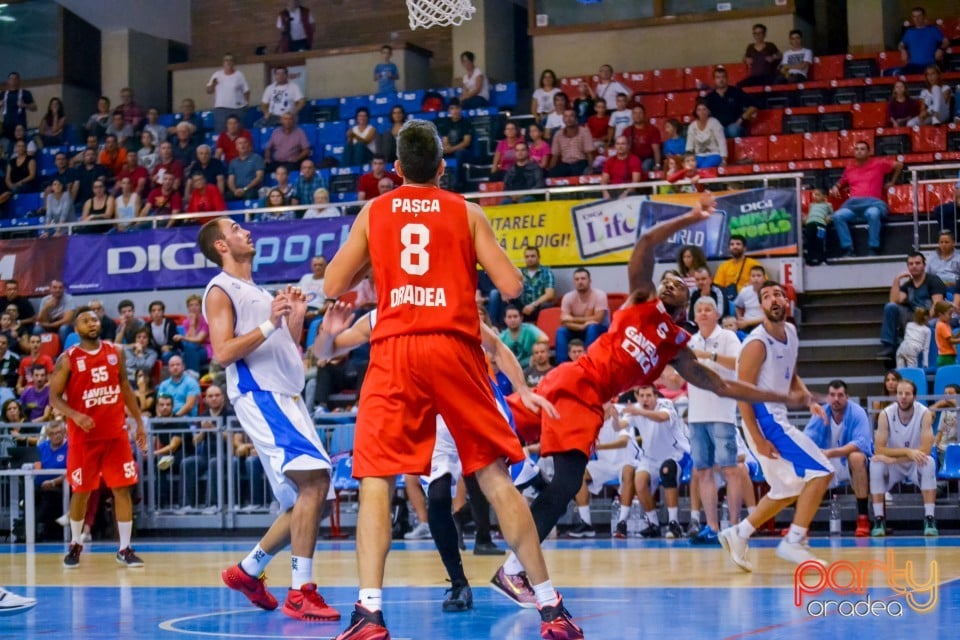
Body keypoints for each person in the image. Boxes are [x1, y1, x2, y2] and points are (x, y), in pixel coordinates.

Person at [322, 119, 582, 639]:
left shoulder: (375, 210)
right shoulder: (467, 212)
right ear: (442, 169)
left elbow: (332, 283)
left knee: (377, 477)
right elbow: (510, 285)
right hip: (455, 346)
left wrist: (379, 261)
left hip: (395, 349)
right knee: (492, 477)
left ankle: (369, 612)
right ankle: (551, 607)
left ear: (395, 171)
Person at [497, 194, 812, 599]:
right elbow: (645, 242)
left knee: (559, 482)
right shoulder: (642, 297)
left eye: (681, 283)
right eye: (671, 276)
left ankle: (514, 558)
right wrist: (692, 217)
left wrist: (777, 396)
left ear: (687, 306)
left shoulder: (676, 346)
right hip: (572, 382)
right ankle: (514, 534)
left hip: (586, 400)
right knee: (504, 436)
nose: (672, 279)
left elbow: (721, 385)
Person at [316, 301, 552, 610]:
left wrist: (522, 389)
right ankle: (458, 582)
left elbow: (497, 346)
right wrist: (326, 333)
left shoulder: (448, 307)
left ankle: (517, 570)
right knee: (439, 497)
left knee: (517, 487)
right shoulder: (382, 314)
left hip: (472, 406)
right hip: (434, 418)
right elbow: (324, 352)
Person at [199, 217, 339, 621]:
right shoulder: (220, 288)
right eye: (235, 228)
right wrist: (270, 320)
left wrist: (293, 317)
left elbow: (283, 348)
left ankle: (248, 571)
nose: (245, 230)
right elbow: (223, 353)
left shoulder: (259, 291)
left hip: (287, 396)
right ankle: (301, 592)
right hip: (262, 395)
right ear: (222, 246)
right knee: (314, 480)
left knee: (306, 498)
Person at [718, 280, 833, 572]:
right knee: (821, 472)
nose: (774, 299)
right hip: (765, 420)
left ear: (786, 302)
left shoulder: (791, 332)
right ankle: (793, 541)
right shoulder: (756, 343)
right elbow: (740, 392)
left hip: (776, 416)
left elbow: (791, 374)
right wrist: (757, 437)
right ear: (761, 306)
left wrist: (809, 401)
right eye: (766, 296)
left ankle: (739, 532)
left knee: (787, 488)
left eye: (778, 294)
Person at [48, 306, 147, 569]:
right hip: (84, 438)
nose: (92, 323)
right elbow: (54, 398)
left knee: (122, 489)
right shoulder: (68, 358)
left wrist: (138, 422)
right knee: (82, 492)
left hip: (115, 434)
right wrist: (76, 416)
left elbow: (125, 387)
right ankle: (75, 542)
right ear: (76, 329)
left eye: (94, 319)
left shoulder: (116, 352)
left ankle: (124, 548)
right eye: (85, 320)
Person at [686, 296, 743, 544]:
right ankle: (711, 526)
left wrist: (708, 355)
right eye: (699, 310)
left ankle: (735, 526)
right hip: (697, 413)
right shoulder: (690, 341)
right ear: (695, 316)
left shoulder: (728, 337)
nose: (704, 313)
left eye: (708, 309)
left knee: (730, 469)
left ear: (717, 314)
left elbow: (739, 365)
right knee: (703, 471)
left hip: (722, 413)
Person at [803, 379, 874, 537]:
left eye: (840, 395)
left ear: (847, 397)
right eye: (832, 395)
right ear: (828, 397)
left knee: (856, 457)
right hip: (826, 461)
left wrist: (831, 452)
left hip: (846, 461)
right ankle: (801, 524)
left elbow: (860, 443)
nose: (836, 399)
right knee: (803, 460)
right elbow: (807, 438)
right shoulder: (821, 412)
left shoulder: (857, 412)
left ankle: (863, 518)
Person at [870, 379, 938, 536]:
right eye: (900, 393)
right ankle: (879, 519)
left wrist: (896, 458)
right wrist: (907, 452)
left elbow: (926, 449)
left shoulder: (925, 413)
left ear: (914, 396)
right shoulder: (885, 414)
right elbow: (878, 448)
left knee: (929, 462)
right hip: (898, 463)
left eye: (907, 393)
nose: (903, 397)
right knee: (876, 465)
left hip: (915, 463)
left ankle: (929, 518)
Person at [622, 384, 690, 539]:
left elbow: (662, 418)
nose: (645, 399)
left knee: (667, 471)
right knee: (639, 482)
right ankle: (653, 524)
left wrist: (640, 411)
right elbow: (620, 425)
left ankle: (674, 523)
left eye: (648, 395)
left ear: (655, 396)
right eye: (642, 396)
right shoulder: (636, 409)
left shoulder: (665, 404)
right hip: (650, 457)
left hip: (676, 454)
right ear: (637, 396)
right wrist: (613, 417)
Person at [572, 403, 636, 538]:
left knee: (628, 471)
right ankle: (586, 524)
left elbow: (623, 441)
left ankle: (622, 523)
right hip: (605, 464)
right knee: (578, 473)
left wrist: (598, 447)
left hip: (626, 460)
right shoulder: (592, 418)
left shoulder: (623, 412)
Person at [878, 252, 945, 358]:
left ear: (924, 265)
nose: (914, 266)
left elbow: (937, 305)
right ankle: (889, 346)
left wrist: (923, 320)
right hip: (912, 317)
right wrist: (897, 280)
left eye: (917, 263)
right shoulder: (907, 285)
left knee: (933, 323)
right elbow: (894, 301)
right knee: (890, 307)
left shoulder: (933, 280)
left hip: (930, 317)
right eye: (911, 264)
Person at [555, 268, 608, 363]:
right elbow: (564, 321)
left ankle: (588, 363)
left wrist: (573, 319)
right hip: (578, 329)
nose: (580, 282)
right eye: (577, 279)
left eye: (583, 279)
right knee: (561, 331)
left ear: (590, 281)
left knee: (592, 327)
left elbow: (598, 319)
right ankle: (562, 367)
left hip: (600, 330)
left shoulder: (600, 295)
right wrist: (581, 327)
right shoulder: (568, 297)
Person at [887, 6, 949, 76]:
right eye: (914, 16)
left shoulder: (933, 30)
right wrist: (903, 50)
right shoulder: (909, 32)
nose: (917, 19)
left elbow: (946, 42)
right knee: (890, 73)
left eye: (919, 16)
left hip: (929, 66)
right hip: (913, 66)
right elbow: (900, 45)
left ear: (924, 16)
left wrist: (941, 49)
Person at [206, 53, 250, 133]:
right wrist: (213, 84)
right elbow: (208, 91)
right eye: (226, 60)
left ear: (234, 63)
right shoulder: (217, 74)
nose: (228, 62)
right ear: (223, 63)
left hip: (237, 109)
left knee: (238, 133)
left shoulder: (239, 75)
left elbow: (246, 91)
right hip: (221, 109)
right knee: (221, 133)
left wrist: (246, 103)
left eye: (231, 60)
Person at [686, 101, 727, 169]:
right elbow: (689, 146)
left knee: (704, 168)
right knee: (692, 167)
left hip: (714, 154)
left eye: (704, 109)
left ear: (708, 111)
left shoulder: (715, 123)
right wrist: (688, 161)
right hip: (698, 156)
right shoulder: (692, 126)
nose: (702, 112)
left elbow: (721, 142)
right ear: (696, 112)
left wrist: (724, 160)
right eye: (699, 110)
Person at [803, 188, 833, 266]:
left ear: (824, 196)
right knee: (809, 240)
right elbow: (809, 214)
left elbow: (832, 214)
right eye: (814, 194)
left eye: (818, 195)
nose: (815, 196)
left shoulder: (828, 205)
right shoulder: (811, 205)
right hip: (810, 224)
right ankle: (809, 259)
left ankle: (822, 259)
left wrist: (829, 217)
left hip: (821, 224)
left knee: (820, 240)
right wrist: (805, 218)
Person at [933, 300, 959, 366]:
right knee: (950, 375)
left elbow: (953, 337)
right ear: (940, 314)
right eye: (949, 314)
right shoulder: (941, 325)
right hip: (946, 357)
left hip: (948, 356)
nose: (951, 317)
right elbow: (951, 341)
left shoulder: (946, 324)